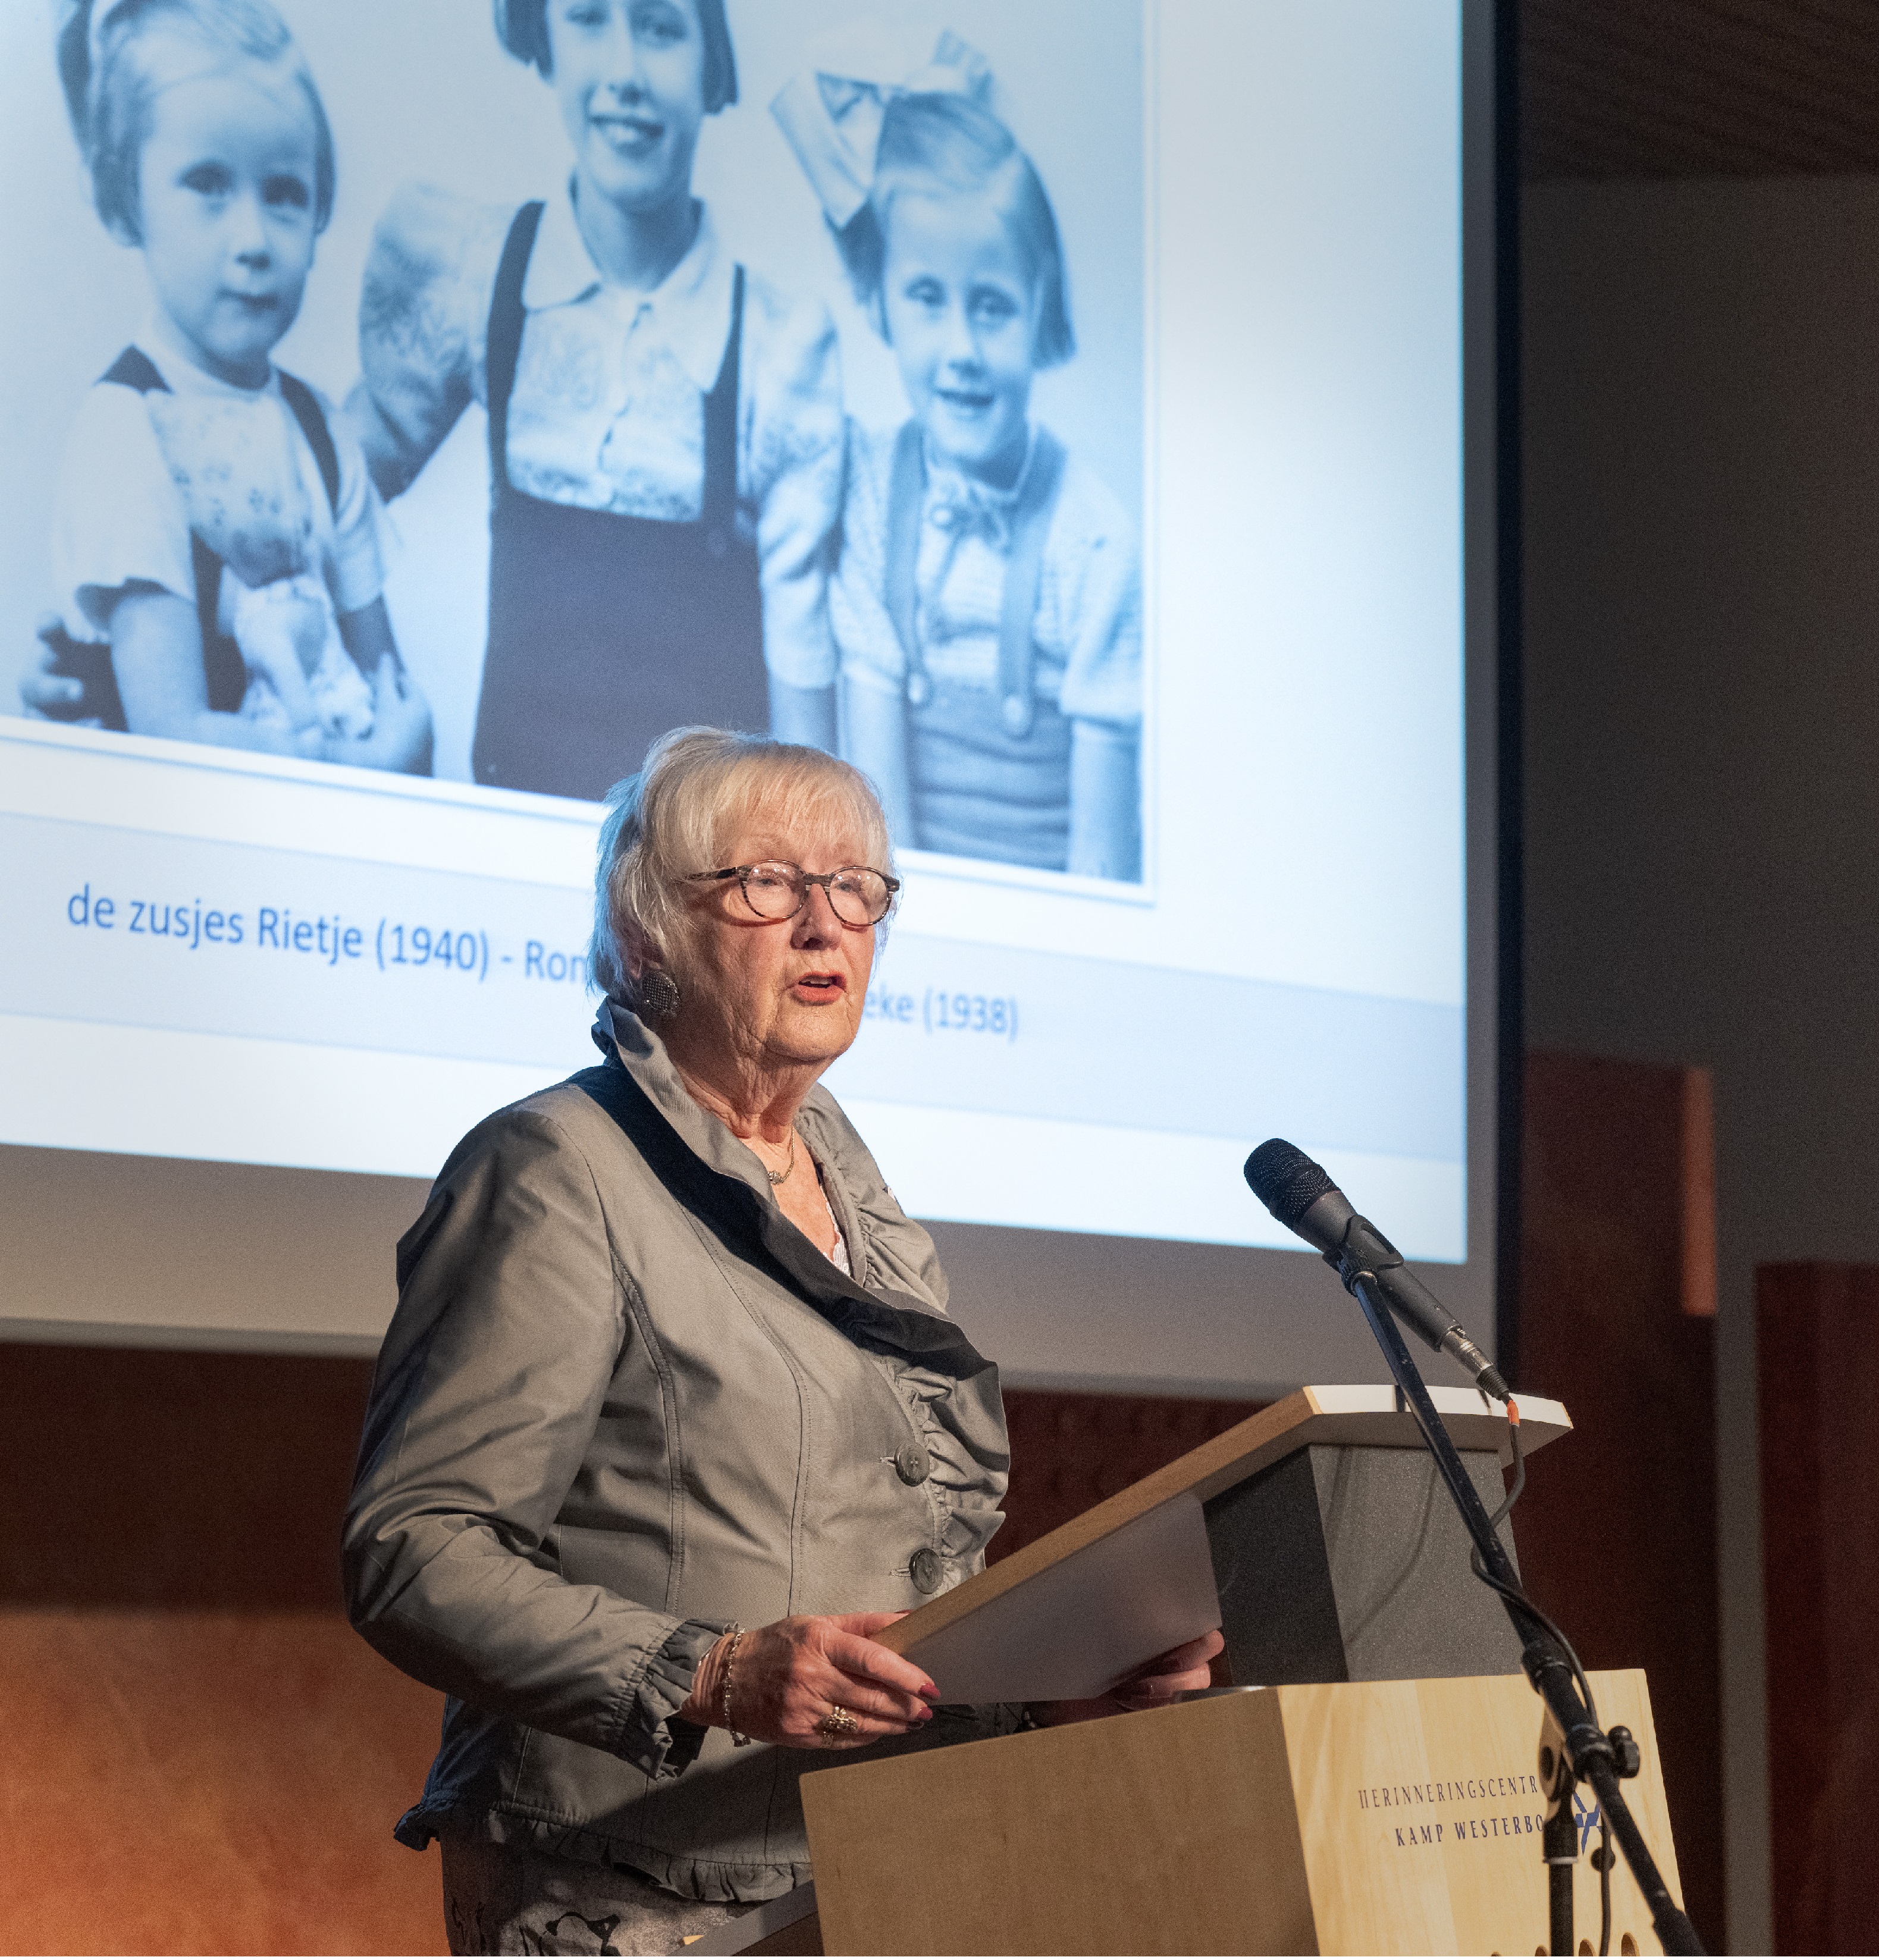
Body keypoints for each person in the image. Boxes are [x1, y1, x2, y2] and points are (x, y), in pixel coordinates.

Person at [343, 727, 1218, 1955]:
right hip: (639, 1890)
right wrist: (709, 1674)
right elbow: (414, 1551)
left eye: (855, 887)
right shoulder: (556, 1172)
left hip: (888, 1864)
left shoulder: (866, 1204)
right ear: (646, 935)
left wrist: (1045, 1682)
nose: (823, 923)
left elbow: (884, 1582)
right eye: (765, 883)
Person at [347, 0, 842, 798]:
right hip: (513, 852)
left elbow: (803, 754)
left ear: (713, 60)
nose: (624, 74)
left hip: (690, 898)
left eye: (660, 26)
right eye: (587, 18)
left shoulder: (778, 350)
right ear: (543, 40)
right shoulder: (482, 276)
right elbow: (321, 498)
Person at [778, 34, 1143, 879]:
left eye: (992, 306)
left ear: (1039, 303)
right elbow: (873, 831)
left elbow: (1101, 860)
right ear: (881, 303)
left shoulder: (1093, 540)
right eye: (928, 299)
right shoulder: (869, 493)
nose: (962, 349)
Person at [42, 0, 430, 769]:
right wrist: (363, 772)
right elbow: (175, 741)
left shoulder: (317, 429)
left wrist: (407, 750)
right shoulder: (126, 432)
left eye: (284, 192)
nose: (252, 241)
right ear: (127, 202)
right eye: (208, 184)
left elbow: (389, 684)